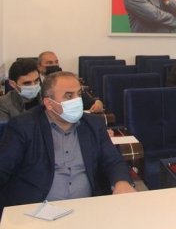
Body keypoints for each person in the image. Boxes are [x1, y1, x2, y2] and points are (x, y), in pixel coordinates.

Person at [0, 71, 134, 214]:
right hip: (37, 211)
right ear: (49, 103)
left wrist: (121, 182)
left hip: (88, 208)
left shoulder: (94, 124)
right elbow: (4, 168)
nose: (77, 100)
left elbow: (113, 161)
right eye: (69, 96)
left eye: (79, 94)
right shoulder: (24, 126)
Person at [38, 51, 104, 112]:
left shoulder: (65, 80)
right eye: (49, 63)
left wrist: (97, 103)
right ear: (39, 67)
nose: (54, 65)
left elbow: (88, 101)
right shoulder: (34, 84)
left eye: (56, 62)